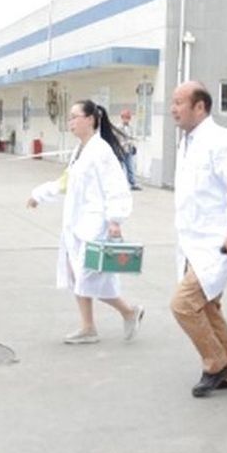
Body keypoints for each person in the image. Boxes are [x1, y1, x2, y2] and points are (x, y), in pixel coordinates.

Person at [26, 100, 144, 344]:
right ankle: (89, 326)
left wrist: (115, 220)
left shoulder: (101, 151)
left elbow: (116, 187)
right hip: (77, 224)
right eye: (69, 117)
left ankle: (128, 312)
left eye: (74, 116)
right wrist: (39, 195)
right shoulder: (80, 150)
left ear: (90, 119)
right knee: (76, 275)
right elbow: (65, 182)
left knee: (88, 278)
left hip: (95, 225)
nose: (70, 122)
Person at [169, 80, 227, 398]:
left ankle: (215, 363)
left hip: (217, 241)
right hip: (191, 241)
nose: (173, 109)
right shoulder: (187, 143)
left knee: (183, 305)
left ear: (200, 107)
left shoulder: (224, 142)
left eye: (179, 102)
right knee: (207, 307)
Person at [117, 109, 142, 190]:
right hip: (121, 150)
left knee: (130, 167)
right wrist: (121, 145)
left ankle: (133, 183)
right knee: (121, 168)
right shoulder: (118, 127)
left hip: (129, 149)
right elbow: (116, 139)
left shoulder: (130, 127)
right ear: (122, 118)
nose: (127, 120)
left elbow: (132, 137)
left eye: (128, 118)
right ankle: (121, 184)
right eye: (125, 117)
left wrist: (133, 145)